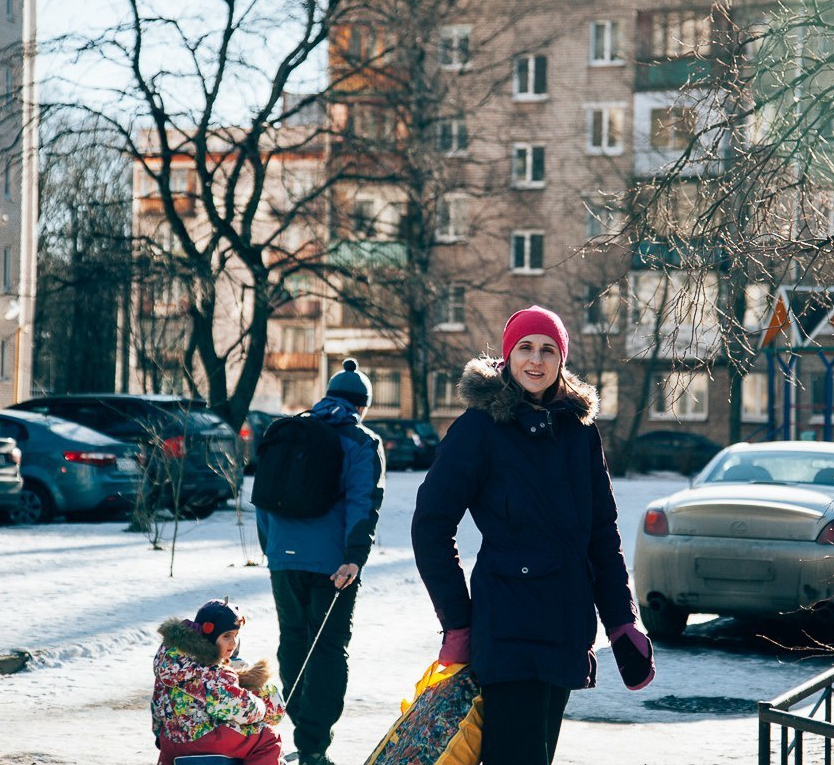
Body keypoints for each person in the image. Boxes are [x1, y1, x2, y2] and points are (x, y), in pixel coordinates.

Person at [412, 305, 655, 765]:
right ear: (508, 356)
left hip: (566, 626)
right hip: (508, 627)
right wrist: (458, 624)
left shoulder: (579, 431)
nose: (536, 361)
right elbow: (430, 526)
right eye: (525, 348)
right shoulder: (480, 429)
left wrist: (621, 622)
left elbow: (602, 533)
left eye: (548, 349)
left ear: (561, 359)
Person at [257, 359, 386, 765]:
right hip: (334, 565)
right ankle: (314, 744)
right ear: (362, 404)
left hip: (283, 559)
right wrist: (354, 558)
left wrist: (273, 549)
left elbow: (262, 499)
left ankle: (301, 726)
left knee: (293, 640)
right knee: (328, 649)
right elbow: (364, 502)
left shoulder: (287, 431)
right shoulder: (362, 441)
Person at [152, 598, 286, 765]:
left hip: (171, 743)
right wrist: (260, 708)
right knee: (269, 738)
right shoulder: (213, 670)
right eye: (226, 636)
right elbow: (239, 707)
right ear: (208, 636)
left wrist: (160, 735)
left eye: (235, 636)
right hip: (206, 740)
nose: (233, 643)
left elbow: (157, 704)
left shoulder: (168, 663)